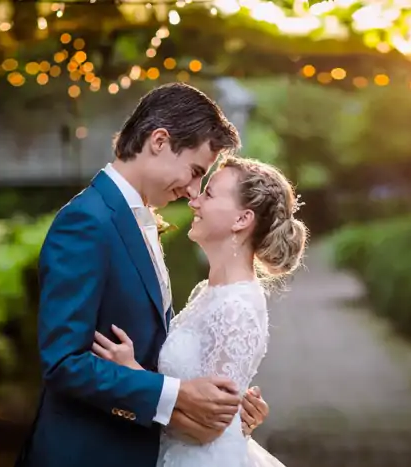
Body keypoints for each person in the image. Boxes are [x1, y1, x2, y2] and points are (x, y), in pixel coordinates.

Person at [15, 83, 270, 467]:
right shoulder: (87, 221)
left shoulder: (136, 217)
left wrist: (223, 412)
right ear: (159, 140)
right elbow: (64, 362)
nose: (192, 190)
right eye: (195, 170)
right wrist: (179, 395)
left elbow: (156, 347)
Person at [93, 156, 308, 466]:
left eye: (209, 193)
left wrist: (133, 375)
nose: (194, 200)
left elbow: (209, 429)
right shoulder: (207, 293)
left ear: (241, 220)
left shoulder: (236, 307)